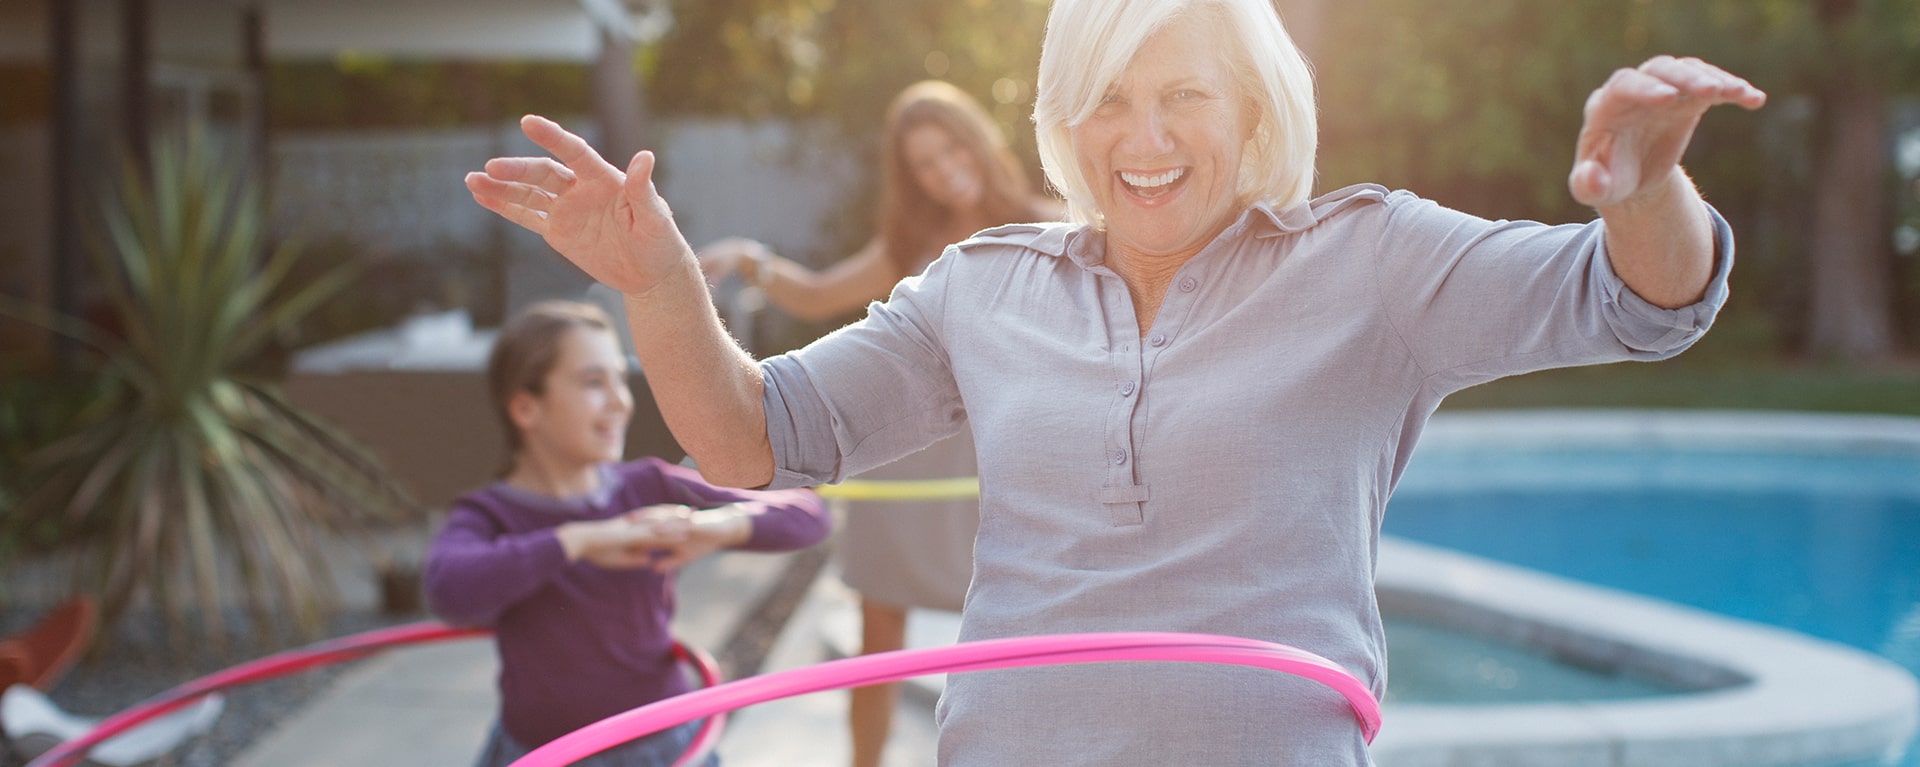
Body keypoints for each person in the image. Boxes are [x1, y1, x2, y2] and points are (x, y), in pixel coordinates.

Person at [461, 0, 1767, 761]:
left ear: (1253, 108)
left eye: (1183, 94)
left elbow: (1638, 301)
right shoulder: (983, 286)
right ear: (1064, 121)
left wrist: (1649, 192)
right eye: (1106, 99)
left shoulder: (1372, 259)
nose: (1142, 138)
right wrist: (658, 285)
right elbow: (754, 434)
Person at [693, 79, 1060, 767]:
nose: (944, 167)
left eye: (951, 146)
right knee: (879, 639)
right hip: (907, 459)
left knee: (1011, 636)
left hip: (995, 461)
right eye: (924, 161)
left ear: (977, 138)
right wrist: (747, 257)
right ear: (910, 178)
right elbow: (813, 292)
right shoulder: (910, 245)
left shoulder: (1054, 224)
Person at [422, 300, 829, 767]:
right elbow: (447, 591)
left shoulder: (649, 486)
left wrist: (711, 527)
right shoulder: (492, 514)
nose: (620, 400)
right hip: (547, 752)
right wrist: (583, 541)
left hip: (660, 742)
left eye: (620, 378)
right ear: (525, 407)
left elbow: (806, 513)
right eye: (594, 382)